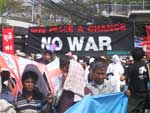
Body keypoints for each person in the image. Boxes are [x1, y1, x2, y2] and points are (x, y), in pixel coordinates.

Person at [121, 47, 149, 113]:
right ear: (142, 56)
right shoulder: (147, 66)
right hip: (145, 94)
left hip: (133, 96)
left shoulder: (131, 67)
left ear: (132, 56)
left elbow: (122, 78)